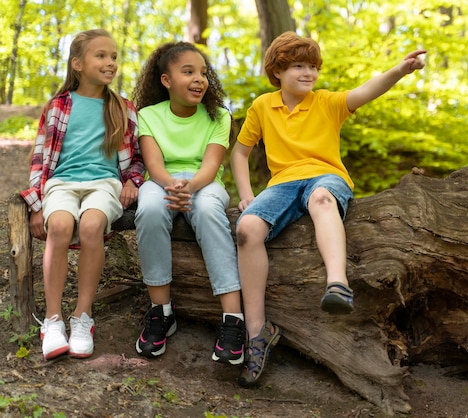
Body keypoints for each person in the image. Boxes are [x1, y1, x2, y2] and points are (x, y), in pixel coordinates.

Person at [231, 31, 426, 386]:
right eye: (299, 66)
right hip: (281, 184)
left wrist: (401, 70)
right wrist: (246, 193)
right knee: (246, 229)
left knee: (322, 199)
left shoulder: (327, 102)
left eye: (313, 67)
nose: (309, 73)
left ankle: (337, 284)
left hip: (326, 176)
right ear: (277, 71)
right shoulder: (262, 106)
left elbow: (367, 90)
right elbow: (240, 151)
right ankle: (257, 331)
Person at [21, 29, 144, 360]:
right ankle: (53, 320)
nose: (110, 62)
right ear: (77, 63)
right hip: (61, 183)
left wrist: (133, 181)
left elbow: (136, 158)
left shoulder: (122, 107)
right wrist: (36, 204)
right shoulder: (58, 106)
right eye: (101, 55)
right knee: (58, 227)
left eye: (114, 56)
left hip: (104, 184)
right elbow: (39, 159)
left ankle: (82, 317)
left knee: (91, 227)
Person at [131, 42, 245, 364]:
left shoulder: (219, 116)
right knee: (150, 208)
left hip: (205, 183)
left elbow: (211, 167)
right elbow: (154, 164)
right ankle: (161, 312)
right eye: (189, 72)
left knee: (208, 210)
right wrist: (172, 186)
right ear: (166, 80)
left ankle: (233, 319)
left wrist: (189, 188)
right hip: (162, 181)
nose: (199, 79)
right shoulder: (148, 116)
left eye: (203, 73)